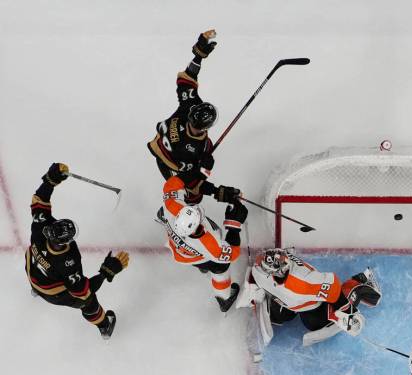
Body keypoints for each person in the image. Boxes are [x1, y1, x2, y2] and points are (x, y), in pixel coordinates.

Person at [26, 163, 129, 339]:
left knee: (39, 266)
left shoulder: (40, 228)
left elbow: (39, 200)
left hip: (32, 272)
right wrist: (106, 271)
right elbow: (83, 291)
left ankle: (35, 289)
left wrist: (50, 181)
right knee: (88, 301)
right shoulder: (68, 261)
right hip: (52, 291)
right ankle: (105, 326)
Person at [147, 28, 242, 209]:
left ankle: (175, 210)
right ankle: (172, 212)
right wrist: (212, 185)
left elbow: (187, 79)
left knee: (191, 189)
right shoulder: (198, 145)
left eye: (197, 128)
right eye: (193, 124)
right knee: (191, 195)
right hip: (168, 160)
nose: (194, 128)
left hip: (169, 155)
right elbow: (193, 184)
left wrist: (198, 56)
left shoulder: (199, 142)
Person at [236, 247, 382, 346]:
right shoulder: (262, 263)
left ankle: (360, 281)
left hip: (314, 300)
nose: (284, 269)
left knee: (314, 323)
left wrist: (347, 312)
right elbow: (256, 273)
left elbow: (333, 286)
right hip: (292, 300)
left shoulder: (304, 282)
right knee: (280, 316)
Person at [156, 176, 248, 312]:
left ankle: (203, 267)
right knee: (220, 267)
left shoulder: (172, 206)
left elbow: (176, 181)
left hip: (180, 250)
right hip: (197, 255)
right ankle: (224, 298)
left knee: (203, 258)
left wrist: (215, 191)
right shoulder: (209, 244)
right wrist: (234, 225)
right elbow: (232, 254)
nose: (198, 211)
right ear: (196, 229)